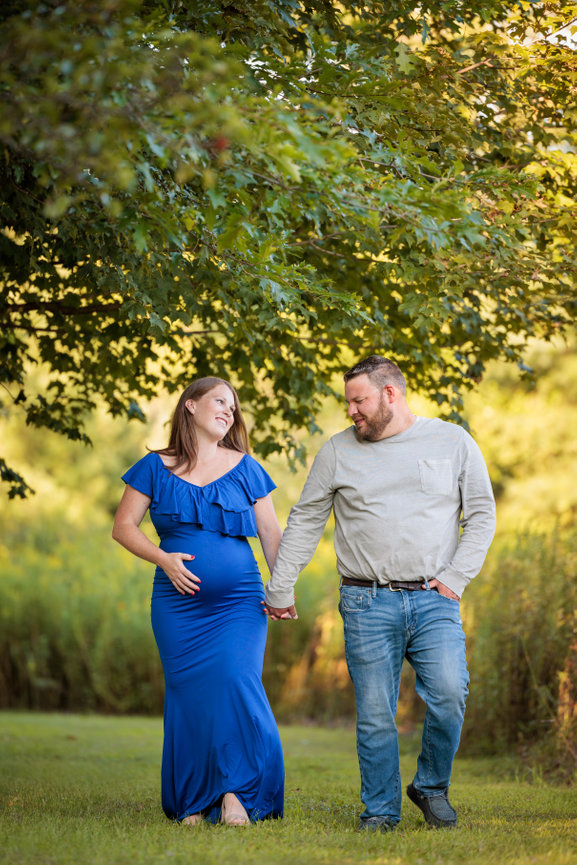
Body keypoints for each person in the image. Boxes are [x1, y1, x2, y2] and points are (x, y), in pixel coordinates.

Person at [263, 355, 496, 831]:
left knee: (450, 695)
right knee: (374, 716)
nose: (351, 411)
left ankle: (430, 786)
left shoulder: (453, 441)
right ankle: (381, 811)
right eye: (348, 401)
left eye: (359, 400)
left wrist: (455, 577)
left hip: (435, 598)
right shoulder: (337, 451)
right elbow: (306, 521)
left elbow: (482, 516)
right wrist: (280, 586)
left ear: (391, 393)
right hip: (365, 600)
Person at [112, 376, 284, 826]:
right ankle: (193, 800)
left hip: (240, 603)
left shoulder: (247, 467)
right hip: (177, 605)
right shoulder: (153, 466)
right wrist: (163, 559)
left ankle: (237, 795)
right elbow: (124, 526)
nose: (229, 410)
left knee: (236, 683)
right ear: (190, 405)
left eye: (234, 406)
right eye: (219, 401)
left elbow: (270, 535)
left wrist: (282, 589)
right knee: (189, 696)